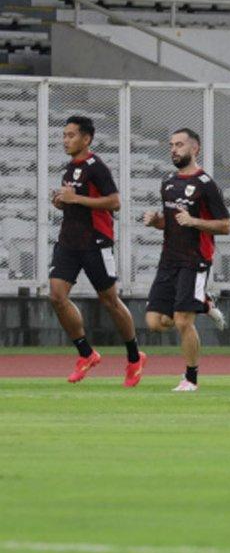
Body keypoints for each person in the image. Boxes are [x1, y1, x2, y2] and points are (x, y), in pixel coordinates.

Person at [49, 115, 145, 386]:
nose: (65, 140)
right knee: (56, 296)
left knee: (109, 301)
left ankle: (135, 357)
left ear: (86, 138)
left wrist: (75, 198)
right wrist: (62, 203)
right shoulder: (70, 168)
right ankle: (86, 354)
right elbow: (76, 202)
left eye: (71, 135)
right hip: (69, 242)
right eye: (64, 135)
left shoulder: (96, 166)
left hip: (95, 242)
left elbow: (115, 202)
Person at [142, 128, 230, 392]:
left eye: (179, 144)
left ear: (195, 149)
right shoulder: (168, 182)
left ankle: (190, 379)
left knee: (182, 321)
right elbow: (170, 225)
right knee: (155, 323)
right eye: (171, 145)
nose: (174, 149)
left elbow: (226, 226)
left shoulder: (206, 184)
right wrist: (156, 221)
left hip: (195, 259)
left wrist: (194, 221)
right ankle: (203, 302)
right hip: (169, 259)